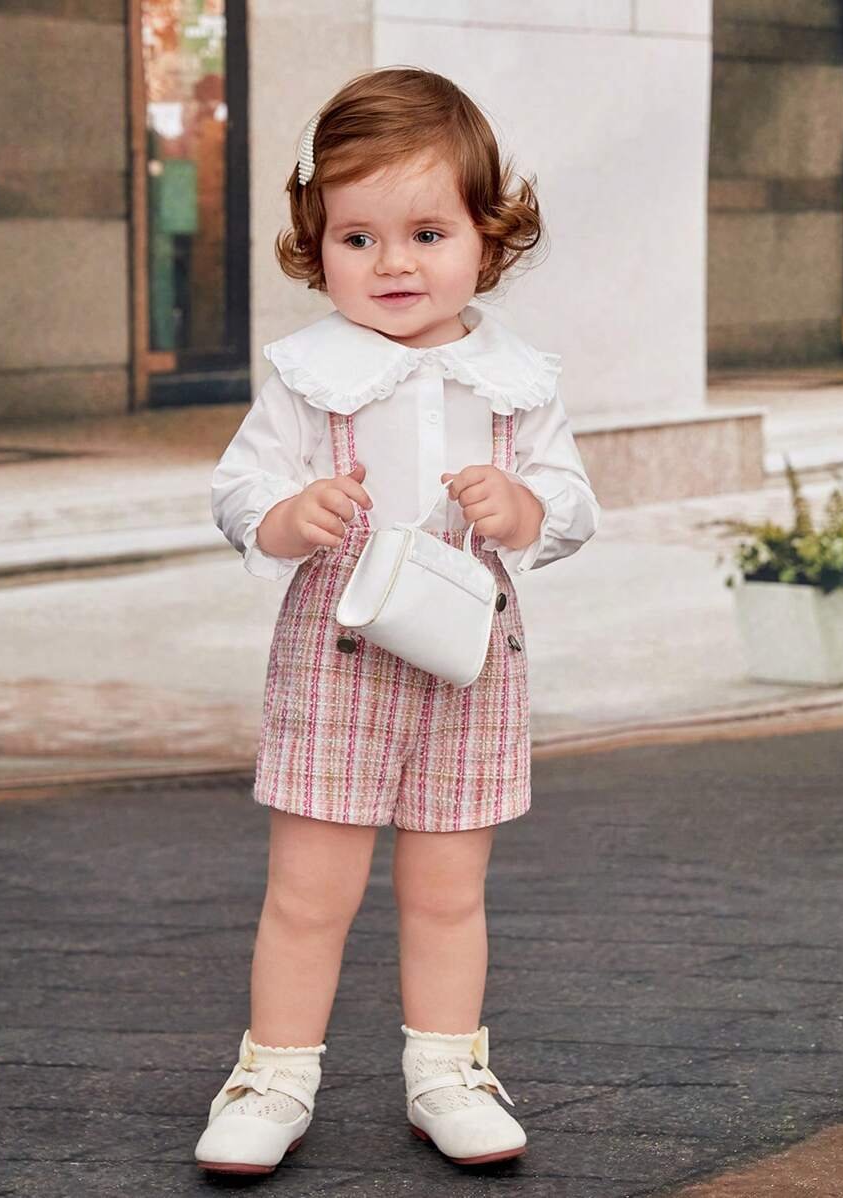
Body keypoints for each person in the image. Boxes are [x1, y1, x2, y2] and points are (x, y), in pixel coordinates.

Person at [196, 65, 600, 1176]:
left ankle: (447, 1071)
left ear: (488, 237)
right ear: (316, 242)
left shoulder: (518, 381)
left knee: (447, 890)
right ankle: (273, 1075)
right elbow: (238, 489)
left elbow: (571, 500)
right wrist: (289, 516)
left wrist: (524, 508)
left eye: (427, 234)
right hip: (339, 655)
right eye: (358, 238)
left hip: (472, 660)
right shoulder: (306, 375)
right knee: (309, 891)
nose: (393, 264)